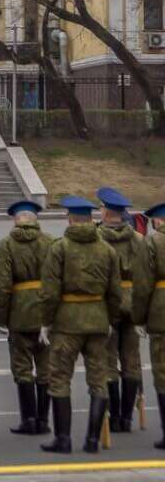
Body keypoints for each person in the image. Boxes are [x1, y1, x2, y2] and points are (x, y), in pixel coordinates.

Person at [39, 195, 125, 454]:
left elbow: (50, 292)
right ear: (91, 219)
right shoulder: (107, 250)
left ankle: (63, 439)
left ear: (70, 219)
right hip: (98, 321)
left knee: (60, 379)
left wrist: (46, 322)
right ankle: (92, 440)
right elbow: (115, 292)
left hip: (67, 323)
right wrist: (110, 319)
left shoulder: (59, 248)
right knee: (99, 380)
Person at [0, 200, 53, 437]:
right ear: (35, 219)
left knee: (22, 368)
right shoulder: (50, 242)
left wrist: (1, 318)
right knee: (46, 369)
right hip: (45, 313)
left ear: (15, 220)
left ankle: (28, 419)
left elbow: (1, 286)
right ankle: (43, 419)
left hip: (19, 314)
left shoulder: (7, 245)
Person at [95, 187, 151, 433]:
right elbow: (146, 275)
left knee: (108, 361)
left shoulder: (97, 239)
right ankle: (127, 418)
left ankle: (114, 415)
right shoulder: (138, 240)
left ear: (106, 211)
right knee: (131, 360)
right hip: (133, 304)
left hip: (107, 304)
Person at [143, 202, 165, 449]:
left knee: (162, 373)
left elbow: (144, 283)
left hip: (160, 313)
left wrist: (140, 317)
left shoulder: (153, 242)